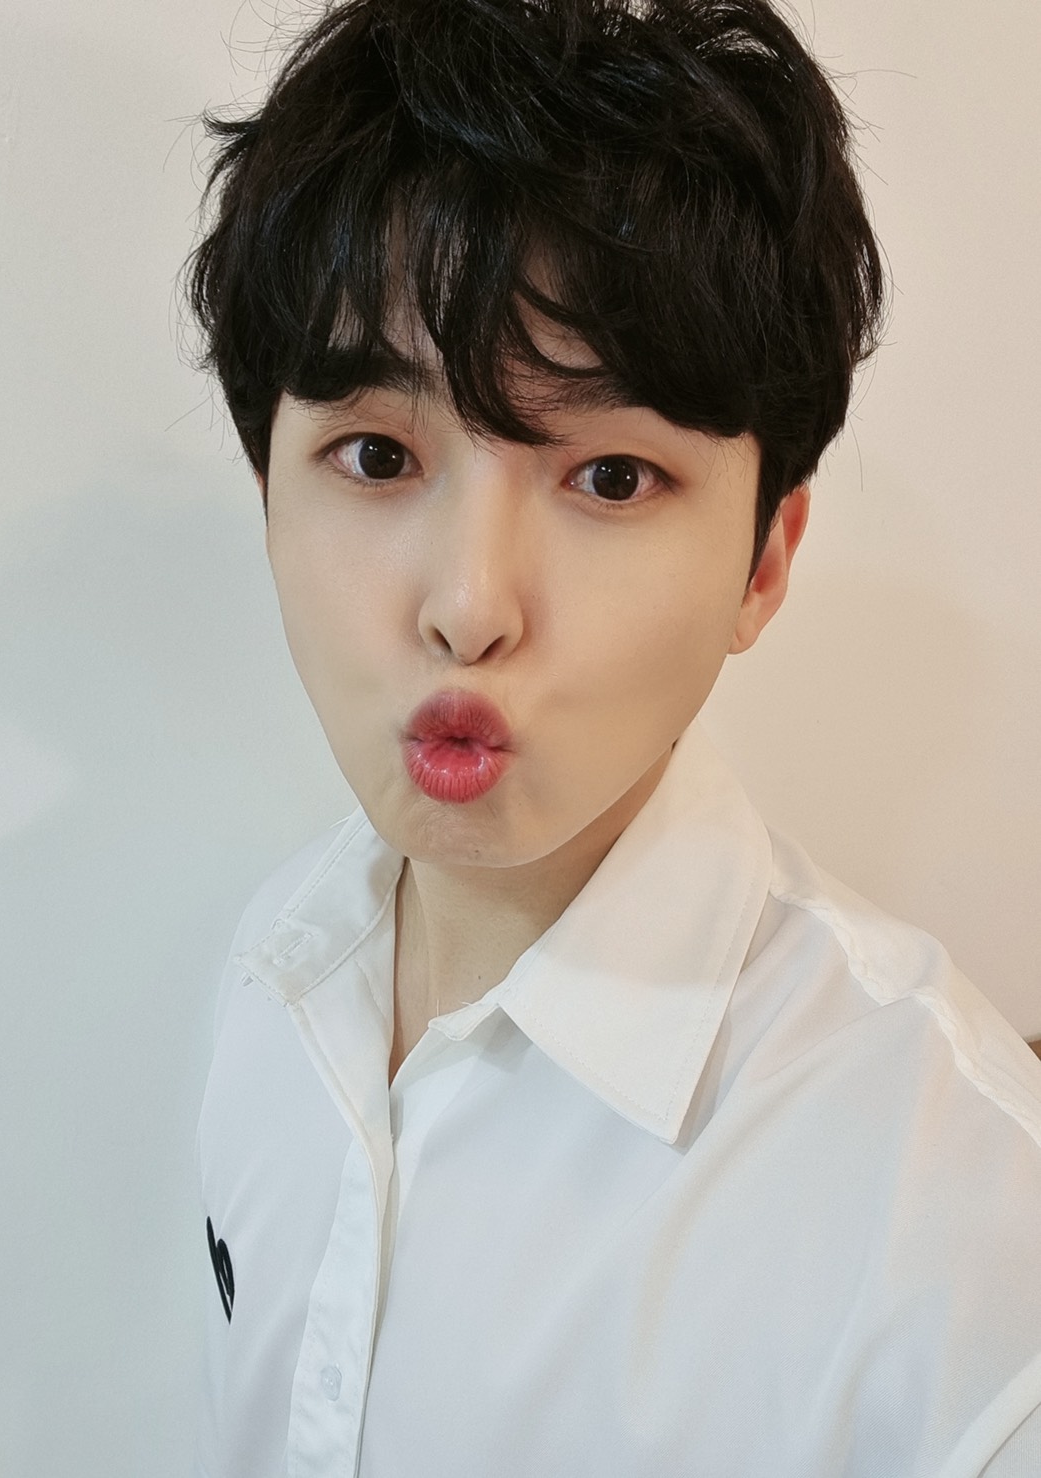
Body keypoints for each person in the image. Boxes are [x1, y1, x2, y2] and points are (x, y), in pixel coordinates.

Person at [186, 0, 1041, 1472]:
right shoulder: (279, 969)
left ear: (765, 561)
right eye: (377, 454)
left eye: (614, 479)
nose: (469, 607)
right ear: (268, 487)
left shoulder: (960, 1233)